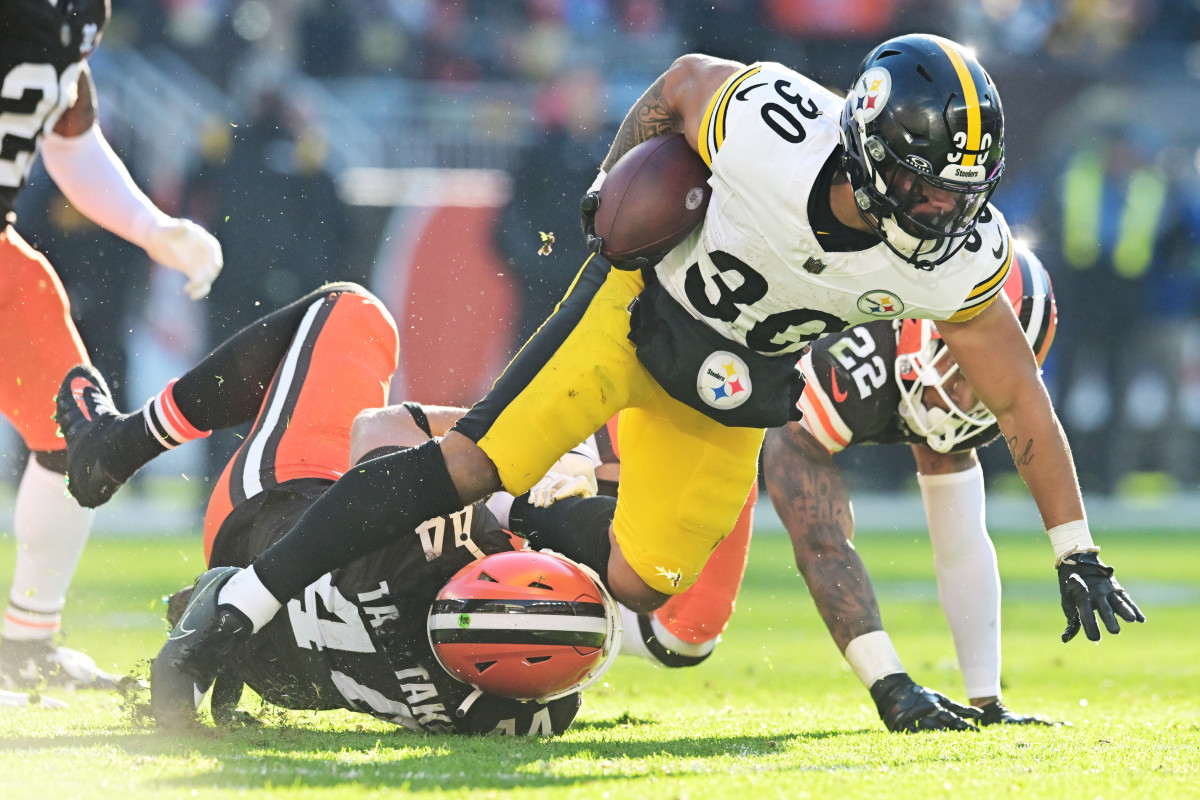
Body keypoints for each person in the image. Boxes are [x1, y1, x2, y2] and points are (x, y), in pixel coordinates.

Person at [70, 34, 1144, 716]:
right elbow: (679, 85)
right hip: (635, 313)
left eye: (969, 191)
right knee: (462, 461)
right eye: (931, 188)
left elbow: (1017, 394)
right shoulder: (775, 127)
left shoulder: (958, 252)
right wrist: (609, 190)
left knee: (650, 595)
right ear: (867, 150)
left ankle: (542, 498)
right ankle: (238, 606)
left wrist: (1075, 545)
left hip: (738, 384)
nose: (953, 214)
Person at [57, 281, 619, 732]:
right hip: (280, 675)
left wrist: (529, 452)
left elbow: (384, 428)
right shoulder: (522, 714)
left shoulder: (441, 541)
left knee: (350, 311)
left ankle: (116, 449)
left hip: (264, 521)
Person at [0, 0, 222, 694]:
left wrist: (152, 227)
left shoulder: (74, 13)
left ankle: (25, 644)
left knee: (76, 436)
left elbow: (67, 127)